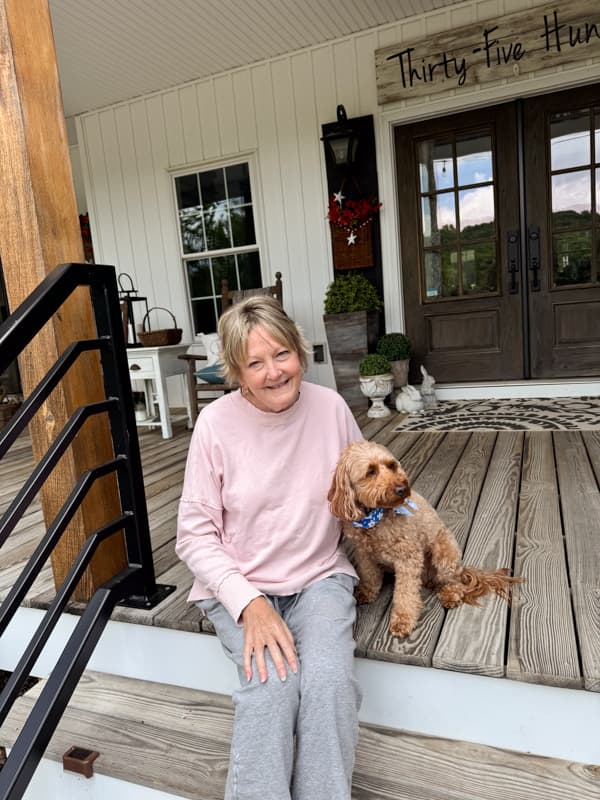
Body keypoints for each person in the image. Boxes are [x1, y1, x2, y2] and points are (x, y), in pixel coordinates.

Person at [176, 295, 363, 800]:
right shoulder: (215, 425)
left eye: (281, 354)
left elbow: (360, 490)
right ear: (235, 372)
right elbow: (193, 534)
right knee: (274, 688)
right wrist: (249, 602)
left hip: (320, 575)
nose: (274, 372)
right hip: (240, 584)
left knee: (328, 687)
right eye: (254, 363)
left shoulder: (332, 409)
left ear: (300, 351)